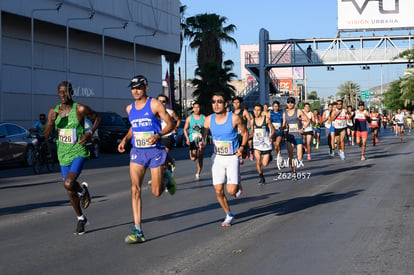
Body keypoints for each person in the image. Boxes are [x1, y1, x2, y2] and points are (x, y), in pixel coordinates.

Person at [118, 75, 175, 244]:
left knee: (156, 192)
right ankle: (138, 230)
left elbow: (170, 124)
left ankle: (166, 176)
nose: (135, 91)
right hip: (137, 152)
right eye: (133, 88)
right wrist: (125, 139)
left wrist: (158, 135)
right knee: (135, 189)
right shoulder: (129, 108)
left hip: (155, 152)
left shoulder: (155, 104)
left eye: (139, 88)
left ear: (146, 88)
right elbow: (133, 127)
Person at [43, 81, 101, 235]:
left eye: (66, 92)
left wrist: (89, 133)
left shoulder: (80, 109)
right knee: (70, 189)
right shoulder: (53, 111)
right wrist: (50, 122)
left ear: (72, 92)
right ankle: (81, 218)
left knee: (68, 183)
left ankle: (82, 190)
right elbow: (46, 135)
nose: (63, 95)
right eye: (60, 92)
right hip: (63, 155)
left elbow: (97, 118)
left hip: (78, 151)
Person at [202, 91, 248, 226]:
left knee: (231, 191)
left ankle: (237, 182)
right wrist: (201, 141)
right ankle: (228, 214)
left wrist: (242, 147)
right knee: (218, 190)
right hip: (217, 157)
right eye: (213, 102)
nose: (216, 105)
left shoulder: (234, 118)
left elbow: (245, 133)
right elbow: (204, 136)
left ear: (226, 104)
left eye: (219, 102)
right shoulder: (208, 119)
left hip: (232, 157)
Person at [283, 97, 310, 180]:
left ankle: (303, 150)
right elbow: (284, 124)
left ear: (294, 104)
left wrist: (303, 128)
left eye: (291, 102)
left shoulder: (298, 111)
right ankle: (294, 172)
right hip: (290, 136)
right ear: (287, 104)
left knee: (299, 158)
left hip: (298, 135)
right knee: (290, 156)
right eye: (288, 102)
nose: (290, 104)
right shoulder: (285, 113)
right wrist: (282, 128)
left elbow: (308, 120)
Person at [251, 103, 275, 184]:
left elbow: (273, 130)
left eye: (258, 110)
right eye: (255, 110)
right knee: (258, 161)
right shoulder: (252, 121)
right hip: (257, 144)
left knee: (265, 164)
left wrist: (271, 136)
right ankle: (261, 177)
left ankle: (269, 157)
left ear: (261, 111)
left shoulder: (266, 120)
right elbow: (252, 132)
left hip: (266, 144)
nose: (256, 112)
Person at [157, 94, 181, 173]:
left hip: (168, 136)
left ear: (166, 103)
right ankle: (170, 162)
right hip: (157, 137)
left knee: (163, 156)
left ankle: (163, 175)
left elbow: (178, 120)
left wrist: (175, 128)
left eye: (163, 101)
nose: (161, 103)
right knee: (160, 157)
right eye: (159, 101)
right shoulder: (154, 112)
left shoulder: (170, 112)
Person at [183, 102, 205, 180]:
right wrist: (187, 138)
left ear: (200, 108)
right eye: (195, 107)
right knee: (193, 158)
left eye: (198, 107)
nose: (196, 109)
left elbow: (206, 130)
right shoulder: (189, 118)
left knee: (200, 157)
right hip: (192, 139)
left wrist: (204, 140)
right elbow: (185, 129)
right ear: (193, 108)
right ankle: (194, 154)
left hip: (201, 140)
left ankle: (198, 173)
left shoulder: (203, 118)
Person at [232, 96, 251, 164]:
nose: (236, 104)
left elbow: (250, 122)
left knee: (241, 150)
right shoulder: (231, 112)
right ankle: (239, 160)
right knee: (235, 151)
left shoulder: (244, 112)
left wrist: (246, 129)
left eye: (237, 102)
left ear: (240, 103)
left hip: (242, 134)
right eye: (234, 103)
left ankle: (244, 155)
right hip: (234, 134)